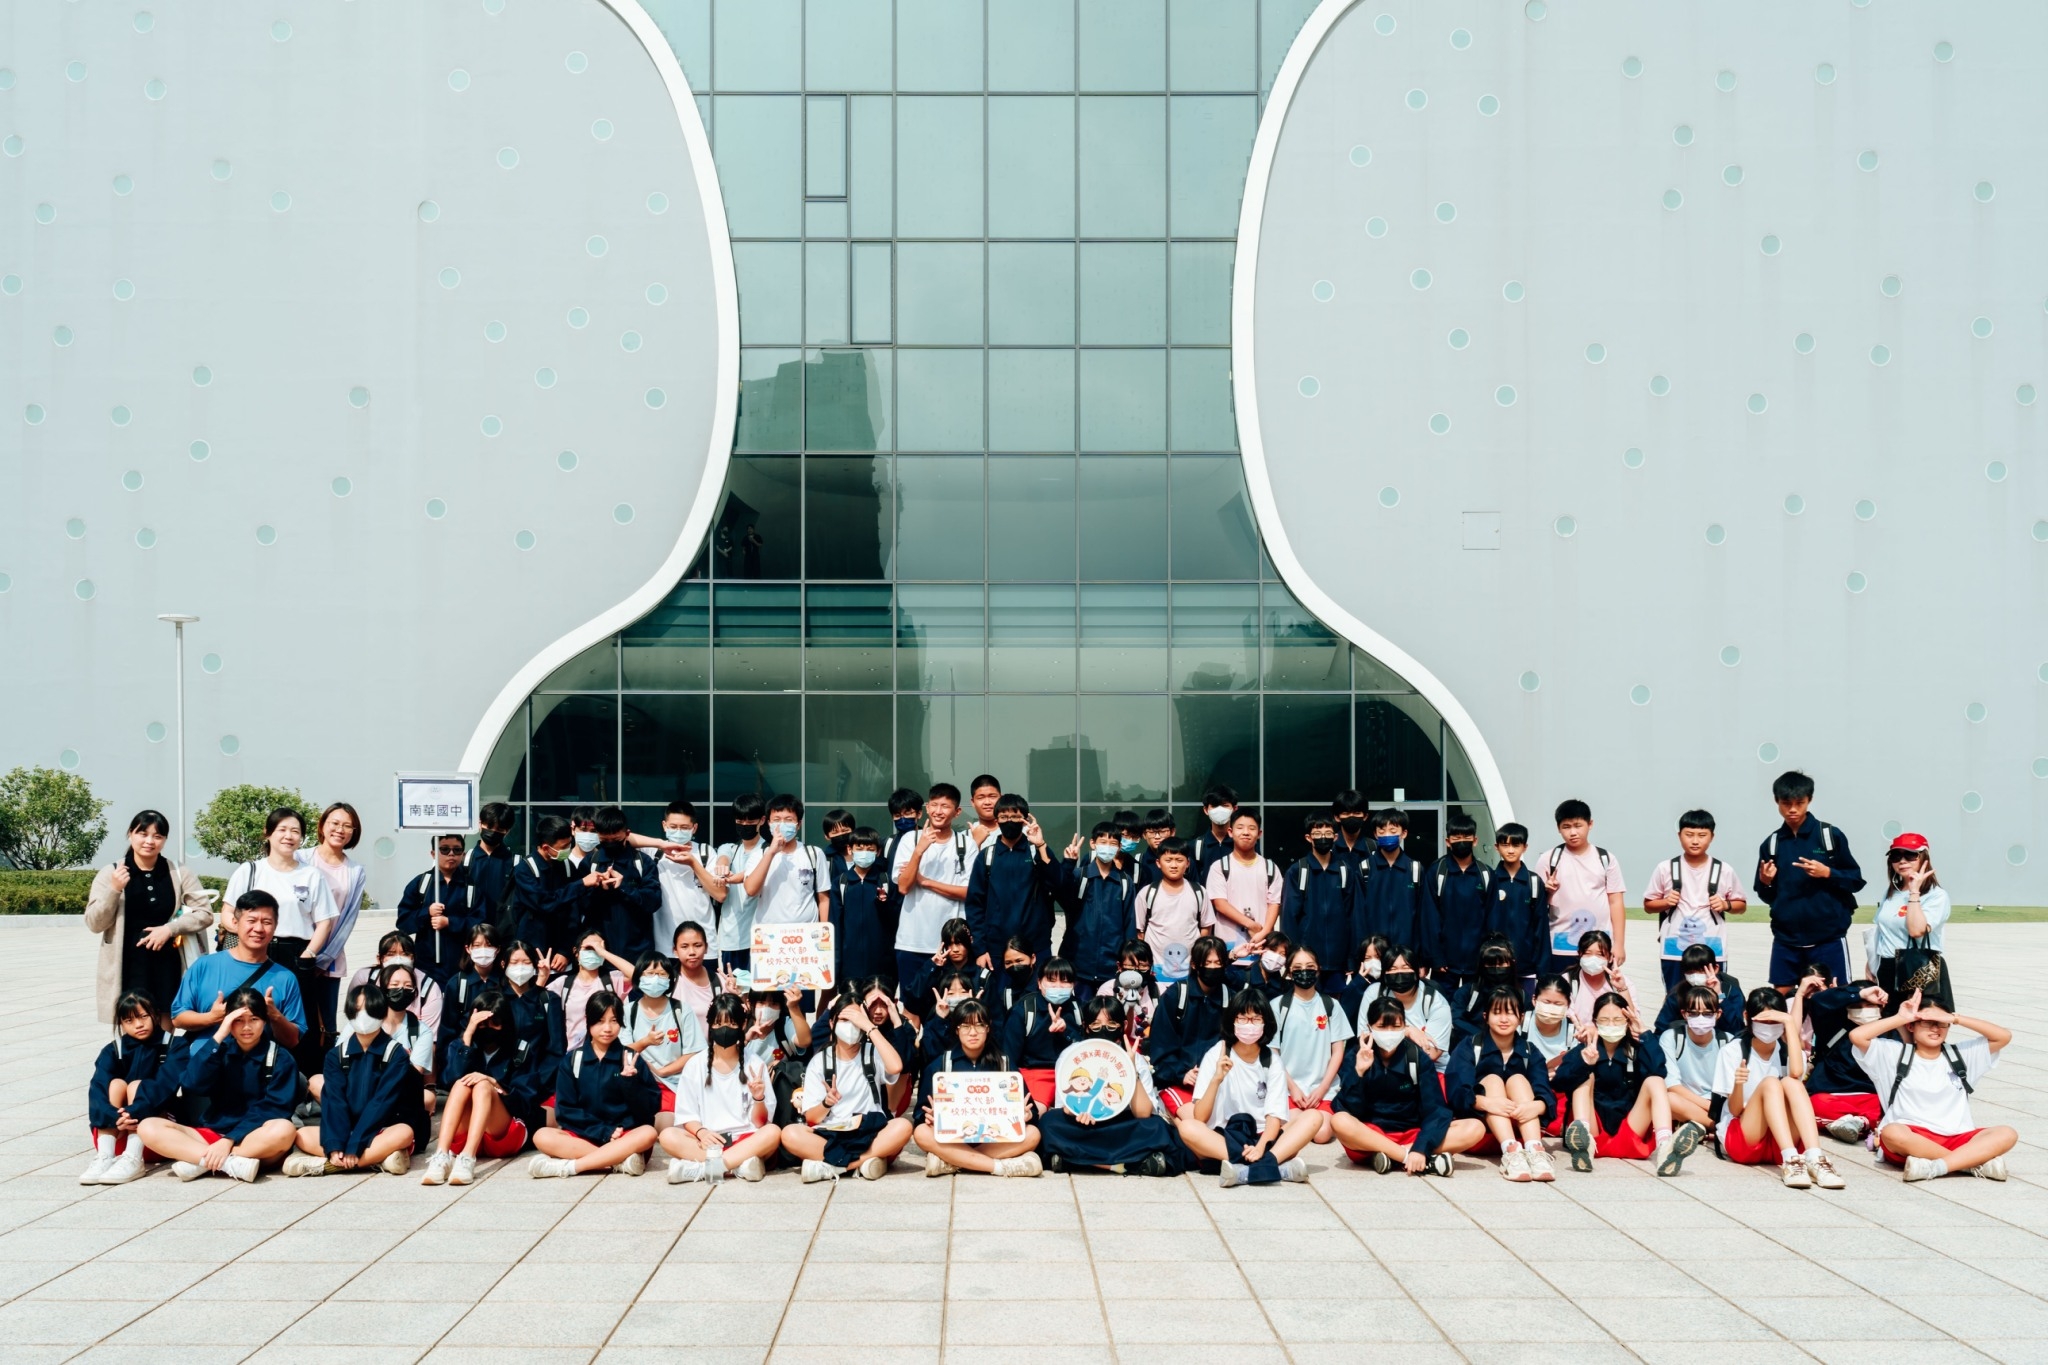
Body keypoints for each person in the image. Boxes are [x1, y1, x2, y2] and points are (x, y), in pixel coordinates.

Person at [1851, 989, 2016, 1182]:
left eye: (1941, 1024)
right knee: (1892, 1132)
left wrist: (1955, 1018)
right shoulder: (1893, 1054)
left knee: (2007, 1133)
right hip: (1912, 1138)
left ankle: (1938, 1166)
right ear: (1912, 1026)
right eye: (1928, 1023)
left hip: (1957, 1137)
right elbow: (1858, 1036)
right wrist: (1901, 1017)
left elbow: (2003, 1036)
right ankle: (1969, 1164)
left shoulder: (1961, 1055)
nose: (1935, 1029)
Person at [137, 986, 299, 1182]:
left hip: (253, 1139)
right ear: (228, 1021)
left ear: (264, 1021)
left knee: (284, 1130)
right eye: (237, 1021)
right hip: (213, 1133)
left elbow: (274, 1108)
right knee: (148, 1126)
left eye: (254, 1020)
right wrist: (218, 1036)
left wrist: (229, 1140)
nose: (246, 1027)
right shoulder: (219, 1050)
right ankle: (228, 1164)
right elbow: (191, 1084)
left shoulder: (280, 1058)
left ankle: (203, 1161)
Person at [221, 807, 338, 1067]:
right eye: (282, 829)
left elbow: (324, 921)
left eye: (295, 831)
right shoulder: (249, 870)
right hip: (251, 953)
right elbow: (227, 912)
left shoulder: (311, 875)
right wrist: (245, 933)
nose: (289, 836)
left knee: (296, 1021)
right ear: (268, 833)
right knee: (249, 1012)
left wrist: (308, 954)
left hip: (295, 954)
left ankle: (300, 1082)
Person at [86, 809, 216, 1026]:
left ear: (164, 839)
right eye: (143, 834)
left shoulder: (178, 871)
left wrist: (170, 929)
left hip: (169, 963)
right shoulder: (111, 873)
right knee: (134, 1023)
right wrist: (114, 890)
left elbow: (205, 913)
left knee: (167, 1023)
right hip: (127, 964)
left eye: (157, 836)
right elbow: (94, 923)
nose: (149, 841)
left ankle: (164, 1060)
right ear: (130, 834)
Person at [1331, 996, 1487, 1176]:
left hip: (1413, 1132)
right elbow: (1348, 1109)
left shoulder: (1416, 1057)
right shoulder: (1356, 1054)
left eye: (1396, 1027)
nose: (1389, 1032)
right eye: (1382, 1027)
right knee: (1339, 1121)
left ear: (1405, 1027)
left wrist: (1420, 1147)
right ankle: (1410, 1158)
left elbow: (1436, 1110)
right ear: (1369, 1028)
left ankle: (1393, 1156)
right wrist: (1358, 1072)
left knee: (1475, 1128)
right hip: (1372, 1134)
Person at [1176, 994, 1319, 1186]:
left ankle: (1246, 1169)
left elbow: (1273, 1116)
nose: (1248, 1024)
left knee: (1313, 1117)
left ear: (1265, 1023)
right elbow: (1200, 1117)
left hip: (1263, 1137)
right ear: (1232, 1021)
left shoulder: (1271, 1060)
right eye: (1242, 1018)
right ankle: (1276, 1167)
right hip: (1225, 1137)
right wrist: (1216, 1079)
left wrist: (1260, 1148)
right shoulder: (1216, 1054)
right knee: (1187, 1127)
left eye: (1256, 1019)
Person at [1553, 991, 1701, 1176]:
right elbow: (1559, 1083)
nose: (1611, 1025)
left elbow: (1659, 1070)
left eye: (1617, 1020)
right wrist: (1583, 1063)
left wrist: (1645, 1033)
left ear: (1627, 1021)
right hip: (1594, 1130)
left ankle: (1665, 1145)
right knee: (1585, 1076)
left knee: (1654, 1081)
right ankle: (1583, 1144)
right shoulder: (1586, 1047)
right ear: (1595, 1022)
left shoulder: (1637, 1049)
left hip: (1628, 1130)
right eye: (1605, 1020)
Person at [1712, 985, 1843, 1188]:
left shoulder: (1786, 1050)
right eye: (1764, 1021)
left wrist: (1790, 1023)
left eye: (1776, 1021)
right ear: (1748, 1017)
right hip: (1745, 1136)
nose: (1770, 1026)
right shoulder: (1733, 1051)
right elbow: (1736, 1110)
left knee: (1791, 1082)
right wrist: (1738, 1084)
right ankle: (1791, 1160)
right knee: (1771, 1083)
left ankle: (1815, 1158)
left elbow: (1796, 1074)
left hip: (1780, 1138)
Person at [282, 982, 417, 1177]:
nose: (362, 1015)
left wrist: (357, 1143)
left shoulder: (396, 1054)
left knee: (404, 1133)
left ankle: (329, 1165)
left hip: (382, 1128)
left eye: (369, 1010)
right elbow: (334, 1101)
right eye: (357, 1009)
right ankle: (376, 1160)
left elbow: (381, 1102)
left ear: (381, 1013)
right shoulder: (336, 1055)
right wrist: (336, 1142)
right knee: (301, 1135)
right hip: (348, 1130)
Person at [1036, 998, 1181, 1175]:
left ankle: (1076, 1161)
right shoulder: (1071, 1055)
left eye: (1111, 1024)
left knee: (1157, 1127)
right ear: (1086, 1026)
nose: (1104, 1030)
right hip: (1083, 1125)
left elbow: (1143, 1113)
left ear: (1123, 1025)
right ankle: (1131, 1164)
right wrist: (1076, 1112)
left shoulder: (1136, 1059)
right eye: (1096, 1025)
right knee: (1049, 1122)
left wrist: (1131, 1068)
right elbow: (1063, 1105)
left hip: (1122, 1126)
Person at [782, 990, 913, 1181]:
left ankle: (837, 1167)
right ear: (832, 1023)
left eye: (856, 1020)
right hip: (831, 1133)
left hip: (868, 1130)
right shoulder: (820, 1061)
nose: (850, 1026)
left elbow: (896, 1067)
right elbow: (811, 1117)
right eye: (844, 1020)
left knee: (903, 1126)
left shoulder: (872, 1052)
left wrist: (869, 1027)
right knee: (789, 1134)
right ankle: (865, 1163)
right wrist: (826, 1103)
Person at [423, 988, 549, 1185]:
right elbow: (448, 1080)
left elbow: (526, 1101)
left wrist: (493, 1083)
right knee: (461, 1083)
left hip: (505, 1131)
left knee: (482, 1085)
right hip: (466, 1131)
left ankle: (467, 1158)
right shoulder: (461, 1045)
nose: (488, 1028)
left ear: (505, 1023)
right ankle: (441, 1155)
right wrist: (468, 1037)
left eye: (495, 1023)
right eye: (482, 1024)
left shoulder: (521, 1049)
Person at [529, 992, 662, 1177]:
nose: (607, 1028)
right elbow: (565, 1110)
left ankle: (571, 1167)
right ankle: (617, 1162)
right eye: (600, 1021)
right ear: (588, 1021)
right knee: (542, 1136)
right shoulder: (573, 1060)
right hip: (586, 1136)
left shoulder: (631, 1059)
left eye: (614, 1021)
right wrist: (603, 1132)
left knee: (648, 1133)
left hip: (624, 1137)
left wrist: (630, 1083)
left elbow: (649, 1111)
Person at [1753, 770, 1864, 987]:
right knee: (1780, 998)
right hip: (1786, 940)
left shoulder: (1829, 836)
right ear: (1776, 801)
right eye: (1786, 803)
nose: (1793, 809)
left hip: (1828, 938)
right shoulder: (1772, 844)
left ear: (1810, 800)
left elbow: (1856, 880)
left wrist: (1828, 873)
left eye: (1799, 802)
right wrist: (1766, 882)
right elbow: (1767, 896)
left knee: (1834, 996)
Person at [912, 998, 1044, 1178]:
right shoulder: (941, 1066)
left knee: (1033, 1134)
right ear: (956, 1030)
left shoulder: (1004, 1064)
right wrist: (928, 1117)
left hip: (995, 1139)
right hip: (954, 1140)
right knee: (921, 1133)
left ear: (988, 1028)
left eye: (979, 1025)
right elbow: (919, 1115)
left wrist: (1027, 1115)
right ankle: (999, 1167)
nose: (973, 1032)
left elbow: (1033, 1114)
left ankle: (953, 1162)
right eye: (965, 1026)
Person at [661, 993, 779, 1183]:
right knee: (668, 1135)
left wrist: (758, 1098)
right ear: (710, 1025)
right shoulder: (695, 1064)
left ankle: (704, 1169)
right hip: (707, 1142)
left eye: (732, 1025)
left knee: (772, 1132)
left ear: (742, 1026)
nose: (725, 1030)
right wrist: (702, 1133)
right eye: (718, 1024)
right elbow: (687, 1115)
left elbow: (761, 1123)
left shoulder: (755, 1064)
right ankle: (738, 1166)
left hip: (745, 1139)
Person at [1444, 986, 1558, 1181]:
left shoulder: (1530, 1051)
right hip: (1482, 1129)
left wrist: (1535, 1105)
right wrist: (1486, 1103)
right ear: (1486, 1016)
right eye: (1497, 1013)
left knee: (1518, 1080)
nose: (1504, 1019)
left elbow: (1544, 1090)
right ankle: (1511, 1152)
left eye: (1510, 1013)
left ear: (1521, 1017)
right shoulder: (1470, 1046)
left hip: (1522, 1125)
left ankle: (1535, 1151)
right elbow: (1457, 1091)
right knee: (1493, 1080)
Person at [169, 892, 304, 1050]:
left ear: (275, 926)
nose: (259, 928)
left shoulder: (285, 978)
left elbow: (293, 1039)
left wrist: (275, 1015)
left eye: (267, 922)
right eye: (251, 921)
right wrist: (211, 1018)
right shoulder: (204, 965)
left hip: (256, 1068)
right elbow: (178, 1018)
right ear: (235, 922)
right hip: (204, 1064)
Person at [1642, 809, 1745, 991]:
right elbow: (1648, 905)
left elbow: (1741, 905)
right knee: (1675, 998)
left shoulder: (1724, 870)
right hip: (1674, 950)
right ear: (1679, 835)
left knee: (1714, 998)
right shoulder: (1665, 868)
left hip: (1712, 949)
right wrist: (1666, 902)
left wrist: (1725, 904)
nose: (1695, 841)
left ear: (1712, 837)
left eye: (1702, 835)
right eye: (1689, 835)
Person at [893, 784, 973, 1012]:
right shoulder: (910, 840)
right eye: (935, 805)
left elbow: (968, 892)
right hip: (911, 941)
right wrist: (919, 851)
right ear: (927, 808)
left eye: (945, 806)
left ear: (956, 812)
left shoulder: (965, 844)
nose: (939, 811)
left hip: (950, 945)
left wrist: (926, 882)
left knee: (951, 1008)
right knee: (911, 1009)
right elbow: (904, 886)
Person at [82, 990, 175, 1185]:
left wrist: (132, 1112)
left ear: (155, 1014)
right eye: (129, 1020)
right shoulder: (113, 1050)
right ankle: (105, 1157)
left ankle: (134, 1159)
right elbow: (97, 1088)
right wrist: (116, 1116)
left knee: (137, 1086)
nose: (139, 1025)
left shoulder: (174, 1045)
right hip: (116, 1133)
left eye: (143, 1016)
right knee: (115, 1084)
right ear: (121, 1024)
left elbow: (165, 1086)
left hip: (157, 1132)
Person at [301, 803, 369, 1055]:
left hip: (328, 960)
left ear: (354, 832)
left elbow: (348, 918)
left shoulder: (355, 871)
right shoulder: (301, 858)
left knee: (325, 1022)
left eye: (347, 825)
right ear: (322, 825)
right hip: (296, 954)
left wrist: (321, 959)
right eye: (335, 823)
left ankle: (321, 1078)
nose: (340, 829)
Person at [1145, 935, 1236, 1115]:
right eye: (1207, 962)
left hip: (1218, 1081)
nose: (1212, 968)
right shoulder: (1176, 995)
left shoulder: (1231, 998)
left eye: (1218, 963)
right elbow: (1160, 1046)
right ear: (1195, 964)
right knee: (1194, 1121)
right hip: (1179, 1082)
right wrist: (1181, 1074)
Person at [963, 794, 1057, 967]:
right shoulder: (987, 857)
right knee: (999, 994)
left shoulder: (1036, 851)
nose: (1009, 821)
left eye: (1015, 816)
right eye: (1004, 817)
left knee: (1036, 993)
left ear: (1024, 819)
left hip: (1036, 947)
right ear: (997, 821)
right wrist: (981, 949)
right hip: (996, 950)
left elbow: (1057, 884)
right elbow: (974, 904)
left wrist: (1041, 845)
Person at [1798, 966, 1888, 1143]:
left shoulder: (1889, 1030)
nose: (1863, 1010)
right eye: (1857, 1006)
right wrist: (1859, 994)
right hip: (1832, 1094)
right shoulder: (1832, 1027)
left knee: (1890, 1107)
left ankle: (1858, 1123)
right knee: (1813, 1105)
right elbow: (1818, 1001)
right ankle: (1865, 1124)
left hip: (1871, 1096)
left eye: (1870, 1005)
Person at [1271, 945, 1351, 1142]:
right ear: (1289, 972)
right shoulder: (1278, 1005)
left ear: (1318, 969)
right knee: (1294, 1124)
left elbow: (1338, 1051)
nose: (1304, 971)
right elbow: (1273, 1053)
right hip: (1290, 1088)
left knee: (1322, 1134)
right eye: (1297, 967)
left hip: (1322, 1088)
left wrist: (1322, 1089)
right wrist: (1293, 1088)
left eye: (1309, 966)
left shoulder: (1331, 1005)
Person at [1537, 799, 1627, 974]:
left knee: (1598, 996)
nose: (1573, 832)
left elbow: (1615, 902)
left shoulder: (1606, 858)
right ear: (1558, 828)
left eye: (1578, 825)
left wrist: (1619, 944)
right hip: (1561, 945)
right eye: (1566, 826)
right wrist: (1545, 890)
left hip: (1599, 947)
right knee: (1561, 997)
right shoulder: (1549, 859)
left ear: (1590, 824)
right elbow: (1536, 906)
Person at [396, 833, 490, 988]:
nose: (451, 854)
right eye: (444, 849)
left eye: (457, 850)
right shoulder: (420, 884)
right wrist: (426, 913)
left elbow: (479, 923)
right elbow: (403, 922)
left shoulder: (471, 887)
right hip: (427, 963)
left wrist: (450, 922)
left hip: (462, 962)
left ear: (463, 854)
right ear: (433, 853)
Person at [622, 952, 705, 1127]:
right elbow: (624, 1051)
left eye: (661, 974)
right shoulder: (628, 1011)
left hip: (674, 1084)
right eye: (650, 974)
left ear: (670, 979)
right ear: (639, 977)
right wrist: (645, 1042)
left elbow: (694, 1052)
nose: (655, 979)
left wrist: (662, 1072)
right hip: (639, 1082)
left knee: (667, 1124)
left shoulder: (682, 1010)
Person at [1056, 823, 1137, 1001]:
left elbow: (1130, 923)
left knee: (1108, 1016)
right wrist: (1068, 863)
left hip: (1111, 967)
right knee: (1078, 1014)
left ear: (1119, 847)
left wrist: (1128, 961)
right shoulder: (1080, 876)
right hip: (1078, 963)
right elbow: (1059, 890)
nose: (1107, 847)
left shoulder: (1125, 882)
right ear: (1093, 844)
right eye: (1103, 842)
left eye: (1113, 843)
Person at [1279, 814, 1360, 986]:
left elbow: (1354, 915)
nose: (1323, 837)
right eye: (1317, 833)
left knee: (1334, 1007)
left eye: (1328, 833)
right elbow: (1289, 918)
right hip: (1306, 960)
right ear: (1309, 838)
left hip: (1338, 959)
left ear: (1335, 837)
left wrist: (1352, 958)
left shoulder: (1345, 871)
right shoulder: (1298, 871)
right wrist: (1293, 956)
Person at [1870, 833, 1949, 993]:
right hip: (1886, 967)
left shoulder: (1936, 895)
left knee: (1919, 1017)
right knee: (1889, 1017)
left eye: (1910, 855)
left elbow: (1917, 930)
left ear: (1924, 858)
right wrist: (1871, 965)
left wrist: (1914, 892)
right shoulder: (1891, 893)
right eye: (1896, 856)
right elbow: (1882, 933)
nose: (1902, 861)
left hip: (1918, 968)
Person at [1002, 958, 1085, 1110]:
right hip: (1036, 1074)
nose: (1058, 987)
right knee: (1037, 1113)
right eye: (1052, 981)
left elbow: (1086, 1048)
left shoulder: (1078, 1008)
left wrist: (1065, 1031)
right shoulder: (1023, 1010)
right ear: (1039, 983)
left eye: (1065, 981)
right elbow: (1008, 1057)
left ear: (1074, 985)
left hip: (1073, 1074)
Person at [581, 806, 662, 964]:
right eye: (605, 840)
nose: (610, 844)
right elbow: (579, 906)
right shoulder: (590, 863)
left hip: (638, 951)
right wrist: (598, 889)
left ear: (627, 834)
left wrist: (625, 887)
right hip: (600, 950)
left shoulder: (642, 862)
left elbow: (654, 901)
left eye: (616, 840)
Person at [743, 795, 830, 939]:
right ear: (769, 823)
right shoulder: (759, 855)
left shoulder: (814, 854)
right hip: (769, 936)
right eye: (776, 820)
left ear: (798, 824)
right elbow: (751, 890)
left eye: (788, 820)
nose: (782, 824)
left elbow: (824, 899)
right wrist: (771, 852)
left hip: (806, 936)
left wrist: (823, 933)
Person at [1425, 812, 1492, 991]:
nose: (1461, 841)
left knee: (1475, 1010)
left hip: (1477, 961)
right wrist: (1436, 956)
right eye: (1456, 837)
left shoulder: (1485, 874)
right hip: (1445, 962)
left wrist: (1487, 955)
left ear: (1475, 840)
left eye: (1466, 837)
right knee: (1443, 1010)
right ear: (1448, 841)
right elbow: (1430, 917)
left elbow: (1492, 918)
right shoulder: (1437, 871)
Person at [506, 815, 584, 970]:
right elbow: (544, 903)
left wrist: (565, 951)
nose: (567, 850)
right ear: (546, 847)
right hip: (531, 952)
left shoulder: (568, 867)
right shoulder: (525, 869)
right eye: (563, 847)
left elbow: (574, 913)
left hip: (562, 955)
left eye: (570, 844)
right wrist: (580, 884)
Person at [1132, 837, 1212, 984]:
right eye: (1168, 860)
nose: (1174, 865)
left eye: (1179, 860)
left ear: (1188, 863)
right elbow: (1140, 932)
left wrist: (1198, 957)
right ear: (1158, 863)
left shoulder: (1199, 892)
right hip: (1156, 972)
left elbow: (1206, 927)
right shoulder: (1147, 893)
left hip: (1189, 971)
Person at [651, 800, 728, 954]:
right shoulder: (654, 852)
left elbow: (720, 894)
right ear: (664, 825)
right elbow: (626, 837)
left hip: (703, 946)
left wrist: (693, 863)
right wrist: (661, 844)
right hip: (665, 946)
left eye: (684, 828)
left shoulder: (706, 852)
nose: (678, 832)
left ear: (694, 828)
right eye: (673, 827)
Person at [1357, 945, 1451, 1070]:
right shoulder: (1374, 993)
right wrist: (1406, 1031)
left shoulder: (1435, 1002)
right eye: (1392, 969)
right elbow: (1364, 1038)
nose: (1399, 974)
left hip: (1429, 1069)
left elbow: (1431, 1053)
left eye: (1405, 968)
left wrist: (1387, 1033)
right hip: (1382, 1066)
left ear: (1417, 971)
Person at [1204, 808, 1281, 956]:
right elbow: (1220, 904)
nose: (1246, 832)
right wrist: (1251, 925)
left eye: (1251, 828)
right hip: (1228, 946)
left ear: (1259, 834)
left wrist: (1263, 932)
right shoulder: (1219, 867)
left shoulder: (1270, 868)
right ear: (1230, 832)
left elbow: (1274, 903)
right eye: (1240, 828)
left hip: (1261, 945)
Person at [1484, 823, 1549, 987]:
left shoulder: (1534, 882)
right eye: (1505, 845)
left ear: (1525, 847)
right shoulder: (1488, 879)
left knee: (1524, 1010)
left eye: (1516, 845)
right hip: (1494, 966)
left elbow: (1541, 928)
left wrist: (1542, 970)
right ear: (1496, 847)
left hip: (1526, 967)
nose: (1511, 850)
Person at [1655, 984, 1726, 1134]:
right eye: (1694, 1013)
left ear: (1718, 1013)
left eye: (1707, 1013)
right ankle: (1716, 1127)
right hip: (1687, 1101)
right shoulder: (1671, 1038)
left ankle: (1695, 1124)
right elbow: (1672, 1085)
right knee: (1667, 1098)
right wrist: (1708, 1107)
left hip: (1720, 1104)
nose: (1700, 1018)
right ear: (1684, 1014)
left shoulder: (1726, 1042)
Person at [830, 828, 898, 985]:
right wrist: (836, 963)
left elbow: (895, 922)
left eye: (870, 849)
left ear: (878, 852)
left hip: (881, 963)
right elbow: (835, 925)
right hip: (849, 963)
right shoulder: (841, 883)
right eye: (859, 848)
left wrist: (884, 904)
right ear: (850, 849)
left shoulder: (885, 881)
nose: (864, 853)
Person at [550, 932, 634, 1051]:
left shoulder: (612, 980)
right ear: (576, 952)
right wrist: (542, 976)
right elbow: (539, 1000)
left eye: (598, 948)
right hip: (571, 1054)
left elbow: (638, 976)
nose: (593, 952)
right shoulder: (563, 983)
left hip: (606, 1054)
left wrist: (604, 952)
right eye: (589, 948)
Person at [1358, 809, 1425, 954]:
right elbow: (1358, 915)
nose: (1387, 835)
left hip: (1407, 951)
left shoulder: (1415, 869)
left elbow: (1422, 916)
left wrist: (1422, 957)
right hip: (1374, 951)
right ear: (1375, 835)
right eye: (1382, 831)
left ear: (1404, 833)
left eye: (1393, 830)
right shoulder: (1365, 868)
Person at [1651, 943, 1746, 1036]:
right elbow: (1661, 1029)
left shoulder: (1730, 991)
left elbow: (1737, 1030)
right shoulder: (1678, 994)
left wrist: (1719, 996)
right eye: (1690, 972)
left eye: (1702, 970)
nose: (1695, 975)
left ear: (1716, 968)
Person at [1448, 936, 1522, 1045]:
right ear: (1482, 965)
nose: (1496, 968)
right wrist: (1483, 1038)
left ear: (1511, 963)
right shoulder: (1467, 992)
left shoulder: (1521, 995)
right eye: (1491, 964)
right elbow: (1457, 1018)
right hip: (1471, 1044)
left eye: (1501, 964)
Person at [1566, 930, 1634, 1028]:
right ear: (1580, 954)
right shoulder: (1567, 981)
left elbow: (1633, 1022)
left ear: (1610, 957)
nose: (1593, 959)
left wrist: (1622, 989)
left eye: (1600, 954)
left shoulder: (1624, 983)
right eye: (1588, 953)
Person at [1521, 974, 1577, 1083]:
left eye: (1558, 1004)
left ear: (1568, 1005)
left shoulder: (1573, 1031)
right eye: (1546, 1002)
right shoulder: (1521, 1024)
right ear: (1534, 1000)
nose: (1551, 1008)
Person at [1188, 785, 1248, 881]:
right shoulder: (1195, 847)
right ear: (1206, 810)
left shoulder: (1245, 843)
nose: (1219, 810)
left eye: (1225, 806)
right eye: (1214, 806)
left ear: (1235, 809)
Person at [671, 921, 717, 1039]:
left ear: (706, 948)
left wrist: (738, 994)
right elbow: (636, 974)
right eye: (684, 946)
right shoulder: (666, 982)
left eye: (697, 945)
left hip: (712, 1055)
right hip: (677, 1056)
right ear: (675, 950)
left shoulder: (720, 983)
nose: (692, 952)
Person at [964, 774, 1004, 851]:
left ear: (1001, 799)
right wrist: (975, 843)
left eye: (992, 796)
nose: (987, 802)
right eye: (981, 798)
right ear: (973, 802)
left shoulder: (1018, 832)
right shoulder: (963, 838)